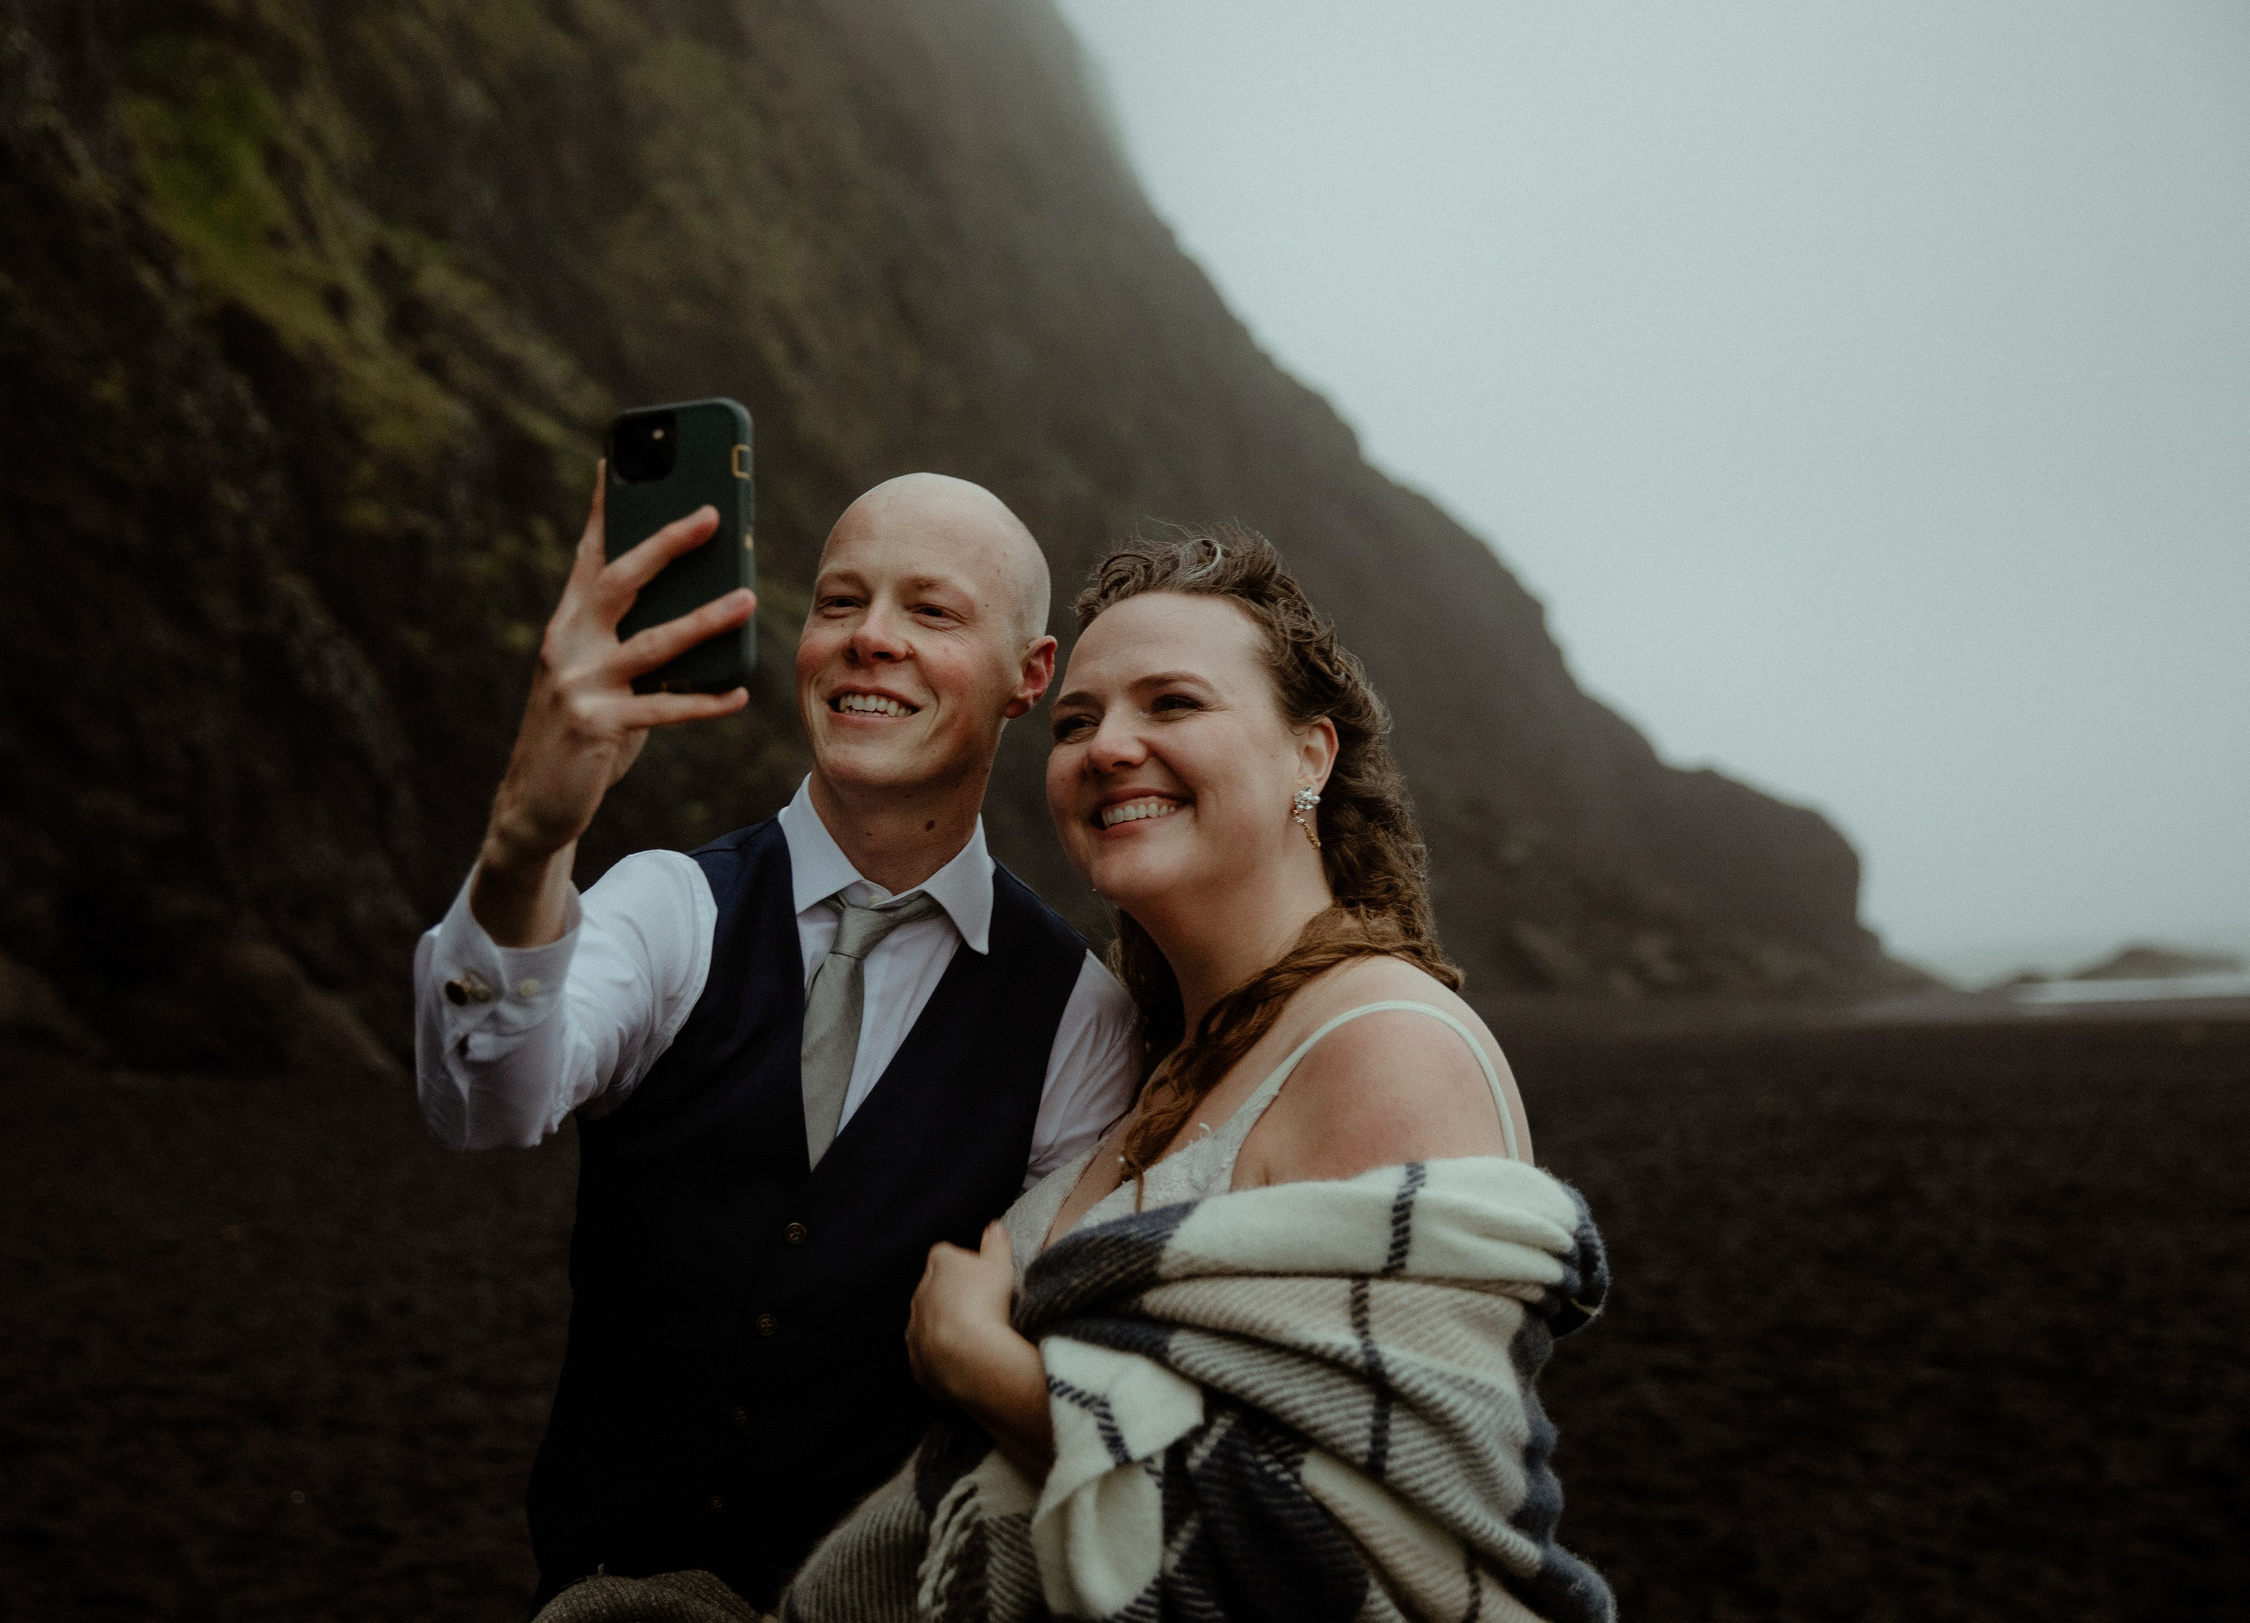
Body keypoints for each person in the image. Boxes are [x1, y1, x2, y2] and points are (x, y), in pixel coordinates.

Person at [766, 530, 1615, 1623]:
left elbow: (1362, 1569)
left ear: (1310, 755)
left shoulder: (1384, 1047)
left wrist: (993, 1373)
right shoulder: (1151, 1056)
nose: (1109, 747)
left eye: (1172, 705)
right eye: (1077, 720)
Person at [414, 467, 1140, 1610]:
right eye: (840, 603)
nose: (870, 640)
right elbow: (484, 1100)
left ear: (1030, 676)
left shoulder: (1079, 1018)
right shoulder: (669, 906)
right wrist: (526, 840)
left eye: (931, 611)